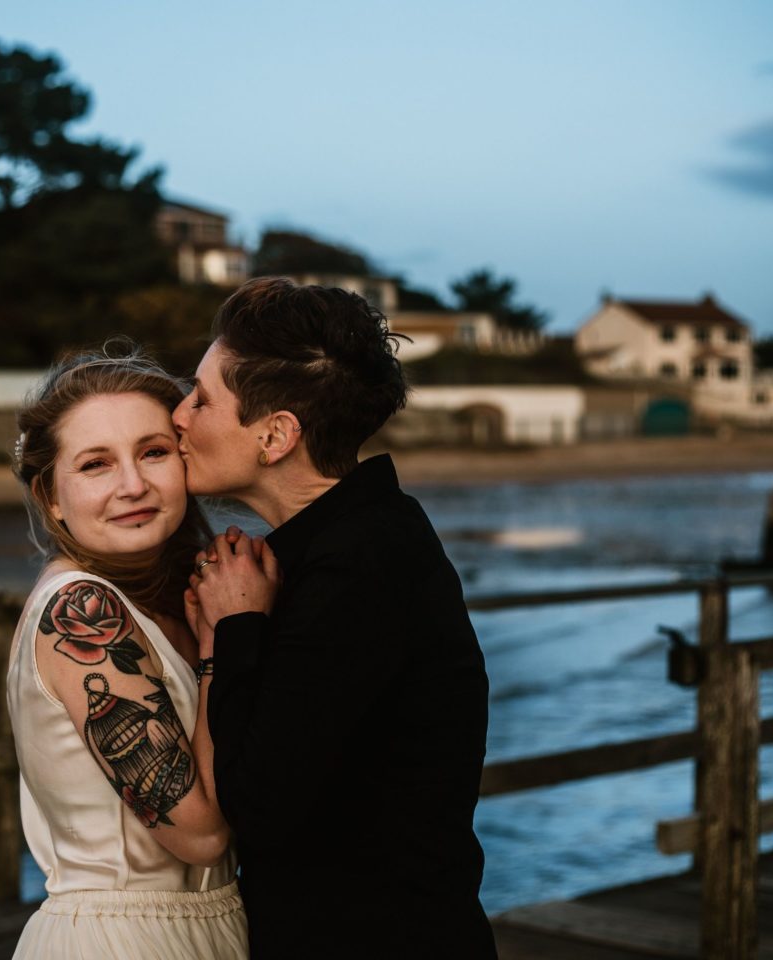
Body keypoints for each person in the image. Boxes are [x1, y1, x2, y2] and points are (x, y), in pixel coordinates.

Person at [174, 277, 497, 958]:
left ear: (275, 435)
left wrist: (230, 634)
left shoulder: (358, 566)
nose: (179, 416)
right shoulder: (359, 541)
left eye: (201, 399)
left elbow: (259, 808)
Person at [7, 343, 247, 959]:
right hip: (123, 940)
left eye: (154, 452)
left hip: (203, 930)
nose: (134, 485)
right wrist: (227, 644)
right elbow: (200, 837)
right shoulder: (80, 611)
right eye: (95, 465)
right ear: (51, 496)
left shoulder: (173, 595)